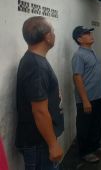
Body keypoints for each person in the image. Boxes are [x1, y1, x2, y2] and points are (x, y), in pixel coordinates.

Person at [16, 16, 64, 170]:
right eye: (53, 32)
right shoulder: (36, 66)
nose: (54, 35)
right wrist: (53, 144)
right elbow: (40, 111)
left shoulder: (36, 60)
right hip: (39, 144)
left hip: (40, 141)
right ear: (47, 36)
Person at [71, 26, 101, 163]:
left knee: (97, 124)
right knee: (85, 126)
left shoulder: (91, 52)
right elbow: (77, 78)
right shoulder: (79, 55)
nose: (90, 35)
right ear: (79, 39)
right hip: (87, 99)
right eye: (86, 34)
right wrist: (85, 100)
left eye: (90, 32)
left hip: (98, 97)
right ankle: (84, 152)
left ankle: (94, 146)